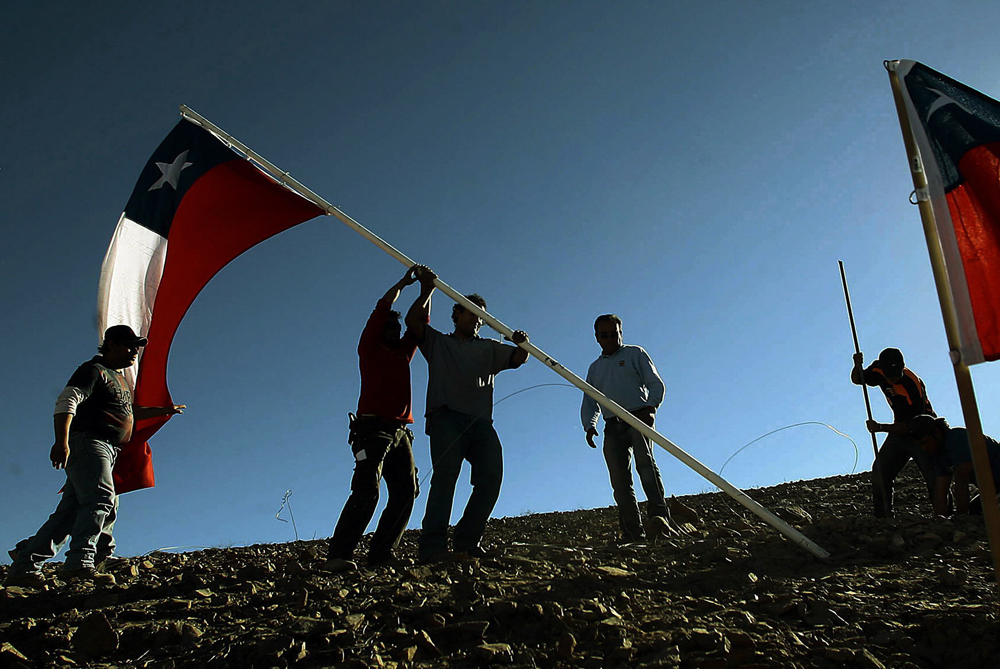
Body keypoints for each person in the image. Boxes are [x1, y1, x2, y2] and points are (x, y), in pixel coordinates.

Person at [5, 325, 184, 588]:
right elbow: (67, 402)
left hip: (108, 449)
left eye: (136, 346)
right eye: (128, 345)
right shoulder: (92, 370)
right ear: (110, 344)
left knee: (70, 512)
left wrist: (162, 410)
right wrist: (61, 442)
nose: (135, 350)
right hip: (89, 443)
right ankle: (80, 563)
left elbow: (126, 412)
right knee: (101, 498)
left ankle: (26, 564)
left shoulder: (118, 377)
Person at [404, 266, 529, 562]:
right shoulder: (439, 343)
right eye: (471, 312)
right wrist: (428, 290)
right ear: (457, 314)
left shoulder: (489, 348)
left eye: (481, 316)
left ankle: (467, 540)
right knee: (445, 479)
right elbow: (413, 321)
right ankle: (432, 546)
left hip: (480, 423)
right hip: (446, 417)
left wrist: (521, 342)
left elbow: (518, 358)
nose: (476, 319)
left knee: (490, 477)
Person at [324, 267, 424, 573]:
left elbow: (419, 325)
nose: (395, 333)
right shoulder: (369, 348)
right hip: (372, 429)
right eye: (390, 329)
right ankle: (338, 556)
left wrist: (427, 291)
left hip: (400, 432)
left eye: (397, 330)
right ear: (381, 330)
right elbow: (382, 308)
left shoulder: (402, 353)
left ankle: (381, 554)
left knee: (407, 491)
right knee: (368, 489)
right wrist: (404, 284)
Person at [582, 314, 670, 543]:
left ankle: (660, 524)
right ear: (597, 338)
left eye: (614, 333)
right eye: (604, 335)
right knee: (620, 482)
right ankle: (633, 533)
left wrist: (651, 407)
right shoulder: (595, 368)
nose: (610, 338)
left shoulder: (635, 354)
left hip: (638, 418)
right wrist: (590, 425)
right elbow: (590, 401)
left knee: (647, 468)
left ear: (621, 333)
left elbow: (655, 382)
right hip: (612, 427)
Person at [851, 347, 937, 517]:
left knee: (933, 475)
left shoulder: (912, 384)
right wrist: (857, 365)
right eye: (890, 374)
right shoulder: (878, 370)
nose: (895, 377)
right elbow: (858, 379)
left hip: (924, 430)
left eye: (897, 372)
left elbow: (913, 425)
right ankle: (883, 517)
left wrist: (881, 428)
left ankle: (944, 515)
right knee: (881, 471)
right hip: (899, 430)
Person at [911, 414, 1000, 516]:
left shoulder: (957, 439)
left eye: (925, 442)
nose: (924, 448)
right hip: (993, 491)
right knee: (975, 510)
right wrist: (940, 521)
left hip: (996, 487)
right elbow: (941, 490)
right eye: (920, 445)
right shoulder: (939, 454)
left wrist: (961, 519)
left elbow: (961, 480)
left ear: (937, 433)